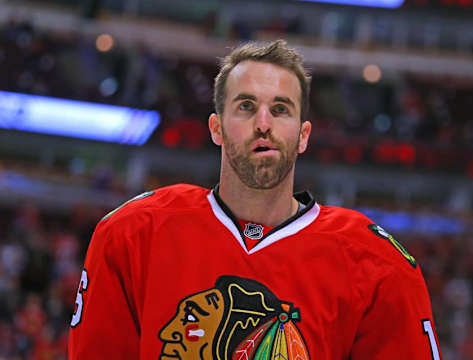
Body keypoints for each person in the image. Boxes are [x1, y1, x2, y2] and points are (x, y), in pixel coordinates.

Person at [68, 40, 442, 359]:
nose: (263, 123)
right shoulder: (134, 233)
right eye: (246, 106)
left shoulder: (378, 264)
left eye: (280, 110)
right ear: (216, 127)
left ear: (303, 135)